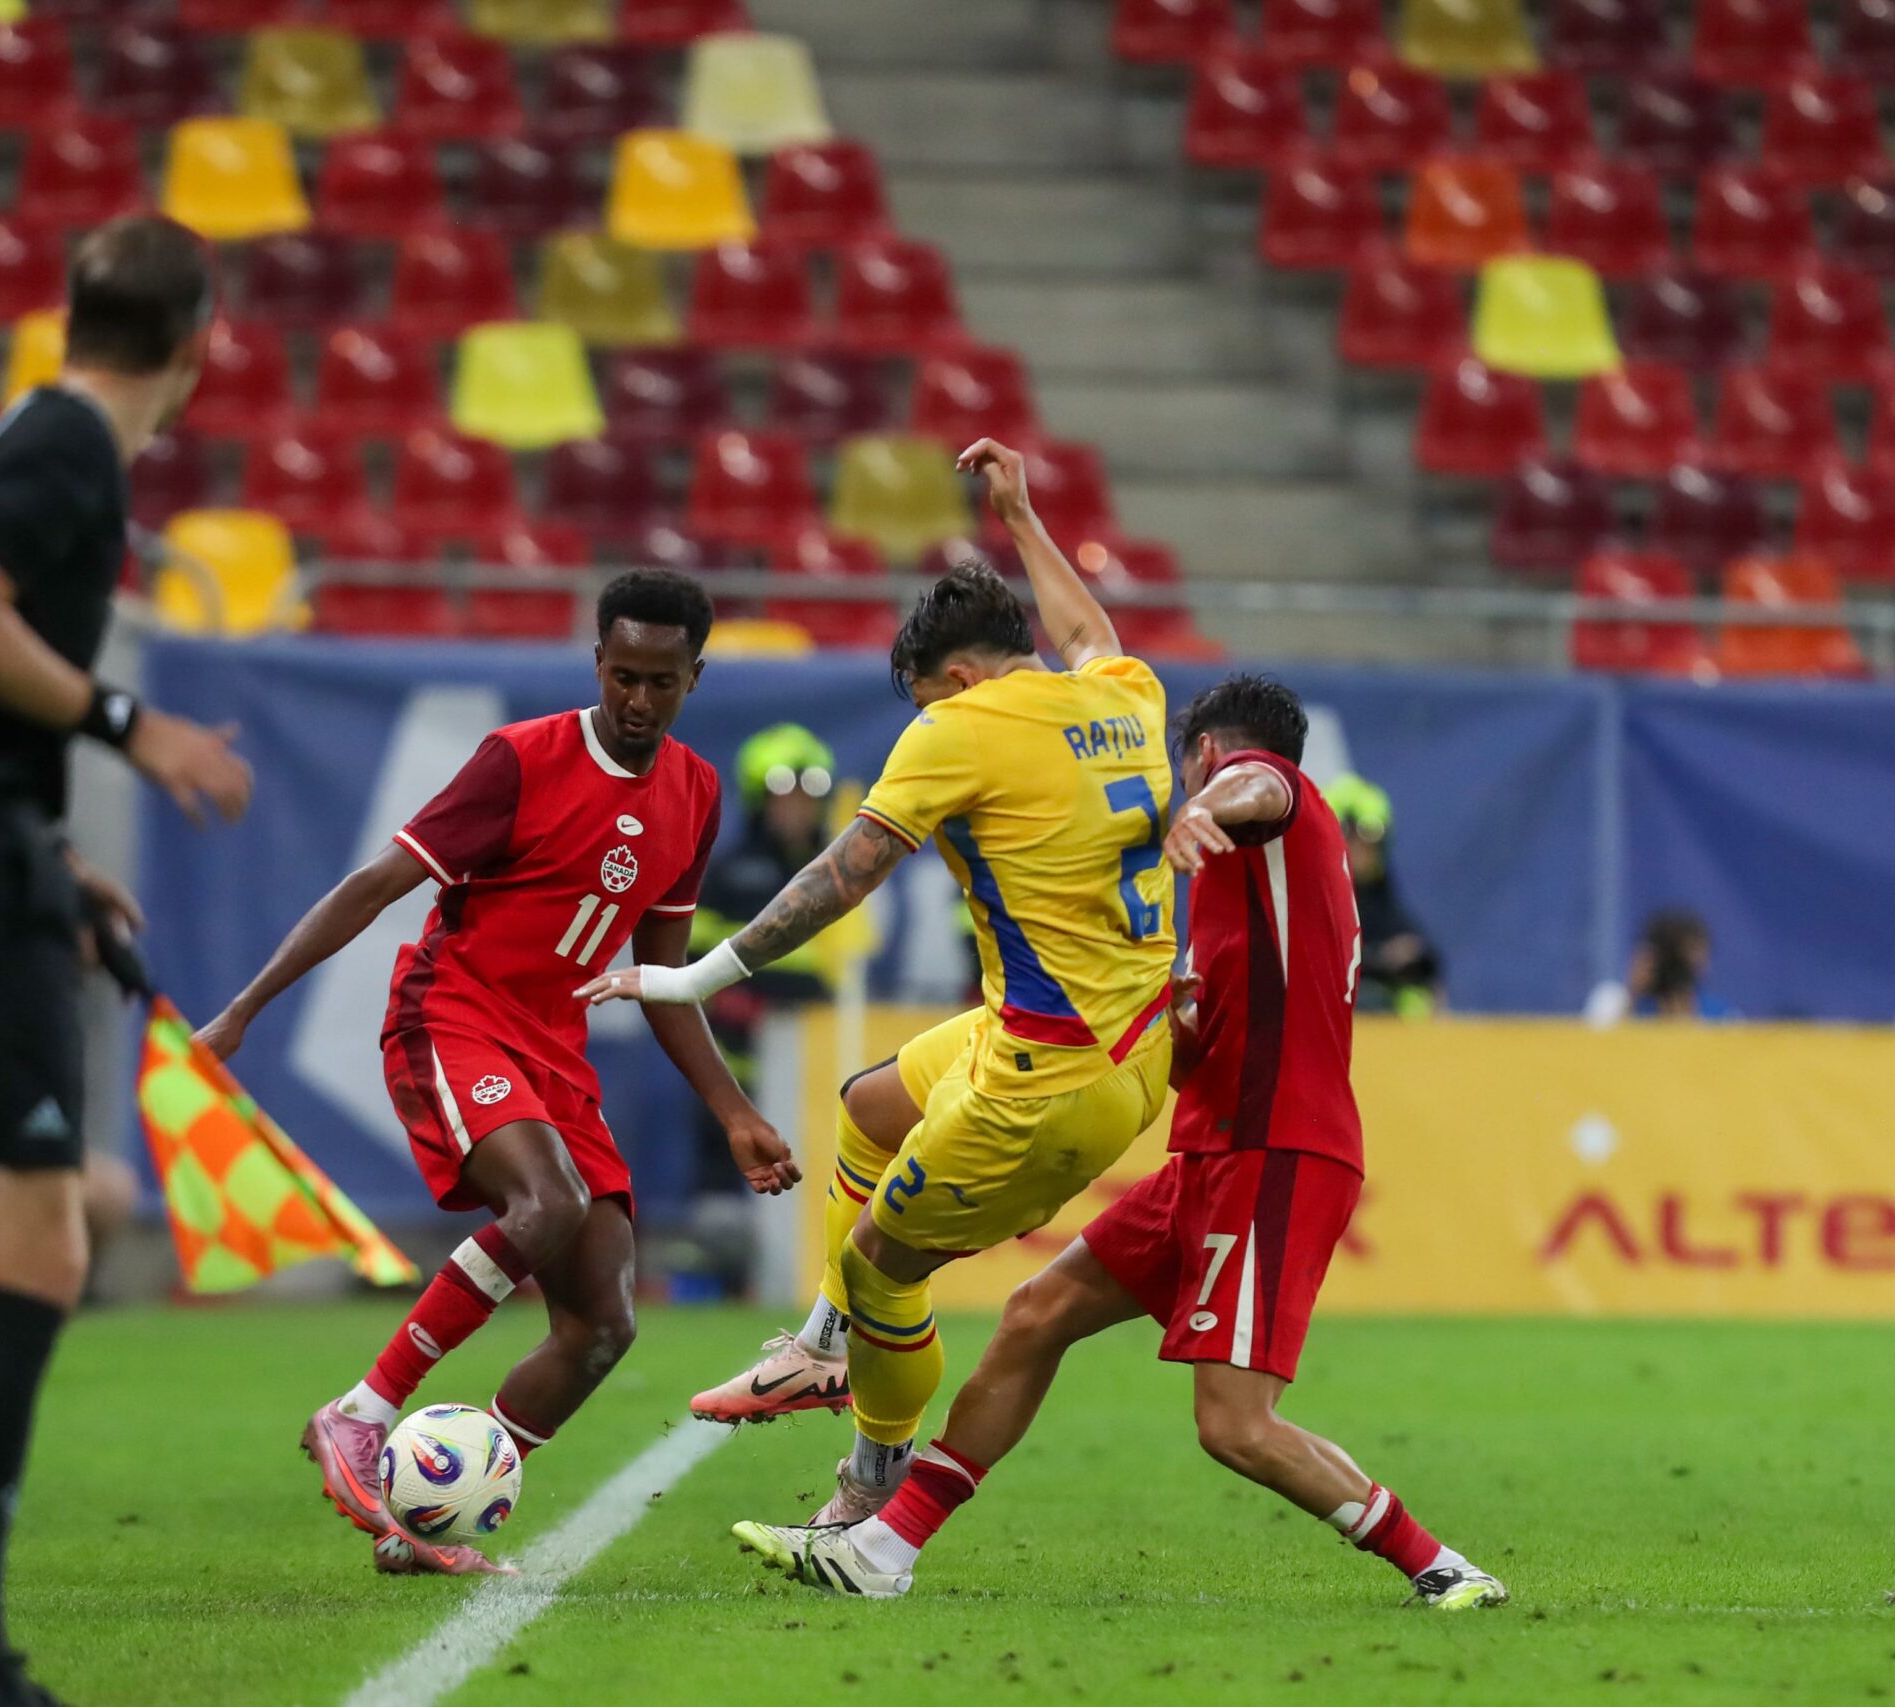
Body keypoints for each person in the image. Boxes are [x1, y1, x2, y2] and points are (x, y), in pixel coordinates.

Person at [731, 675, 1512, 1612]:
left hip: (1275, 1156)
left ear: (1207, 756)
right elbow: (1206, 1041)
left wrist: (1206, 807)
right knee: (1033, 1315)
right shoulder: (1246, 895)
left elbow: (1259, 781)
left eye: (1189, 773)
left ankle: (1441, 1564)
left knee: (1234, 1424)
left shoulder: (1269, 808)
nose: (1177, 794)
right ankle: (884, 1547)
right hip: (1215, 1156)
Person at [584, 437, 1177, 1537]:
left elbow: (839, 874)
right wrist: (1021, 517)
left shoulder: (955, 727)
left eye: (921, 697)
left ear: (950, 679)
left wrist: (695, 976)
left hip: (1047, 1080)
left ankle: (867, 1494)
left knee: (882, 1273)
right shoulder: (1124, 695)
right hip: (1125, 1043)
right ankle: (818, 1349)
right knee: (869, 1107)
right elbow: (1090, 628)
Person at [0, 213, 249, 1707]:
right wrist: (135, 729)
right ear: (201, 341)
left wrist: (40, 858)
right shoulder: (74, 444)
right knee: (32, 1254)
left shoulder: (27, 431)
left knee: (38, 1250)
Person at [197, 569, 799, 1577]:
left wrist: (732, 1108)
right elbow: (375, 883)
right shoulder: (520, 761)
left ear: (693, 676)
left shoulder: (692, 795)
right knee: (547, 1204)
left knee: (602, 1326)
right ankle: (361, 1412)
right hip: (455, 1014)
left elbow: (660, 975)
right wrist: (245, 1009)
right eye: (622, 675)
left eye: (661, 680)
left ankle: (429, 1520)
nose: (638, 699)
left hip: (553, 1054)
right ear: (596, 664)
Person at [686, 725, 838, 1217]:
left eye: (807, 796)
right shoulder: (727, 875)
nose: (796, 809)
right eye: (783, 796)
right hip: (739, 1072)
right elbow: (692, 973)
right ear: (759, 801)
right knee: (723, 1196)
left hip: (819, 1073)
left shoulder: (841, 874)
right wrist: (744, 1012)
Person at [1324, 774, 1441, 1017]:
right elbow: (1317, 961)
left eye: (1373, 843)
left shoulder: (1378, 894)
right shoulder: (1306, 898)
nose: (1365, 853)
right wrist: (1381, 959)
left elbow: (1422, 955)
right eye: (1355, 839)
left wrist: (1413, 957)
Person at [1587, 908, 1736, 1024]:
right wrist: (1632, 998)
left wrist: (1689, 1022)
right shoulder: (1609, 999)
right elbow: (1593, 1051)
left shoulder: (1720, 1016)